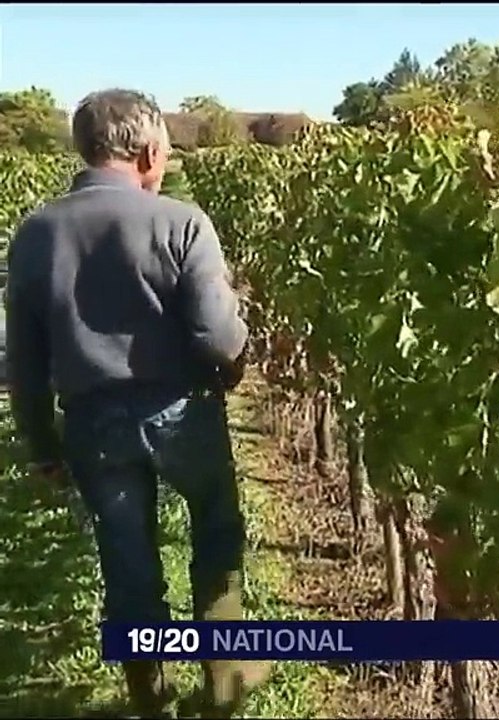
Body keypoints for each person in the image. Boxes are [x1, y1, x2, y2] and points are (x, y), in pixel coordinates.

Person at [4, 89, 269, 717]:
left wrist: (42, 447)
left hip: (93, 424)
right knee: (216, 533)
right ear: (149, 150)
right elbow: (217, 334)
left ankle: (148, 696)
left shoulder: (35, 234)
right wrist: (231, 371)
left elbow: (24, 363)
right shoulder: (181, 223)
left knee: (126, 560)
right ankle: (225, 682)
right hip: (182, 415)